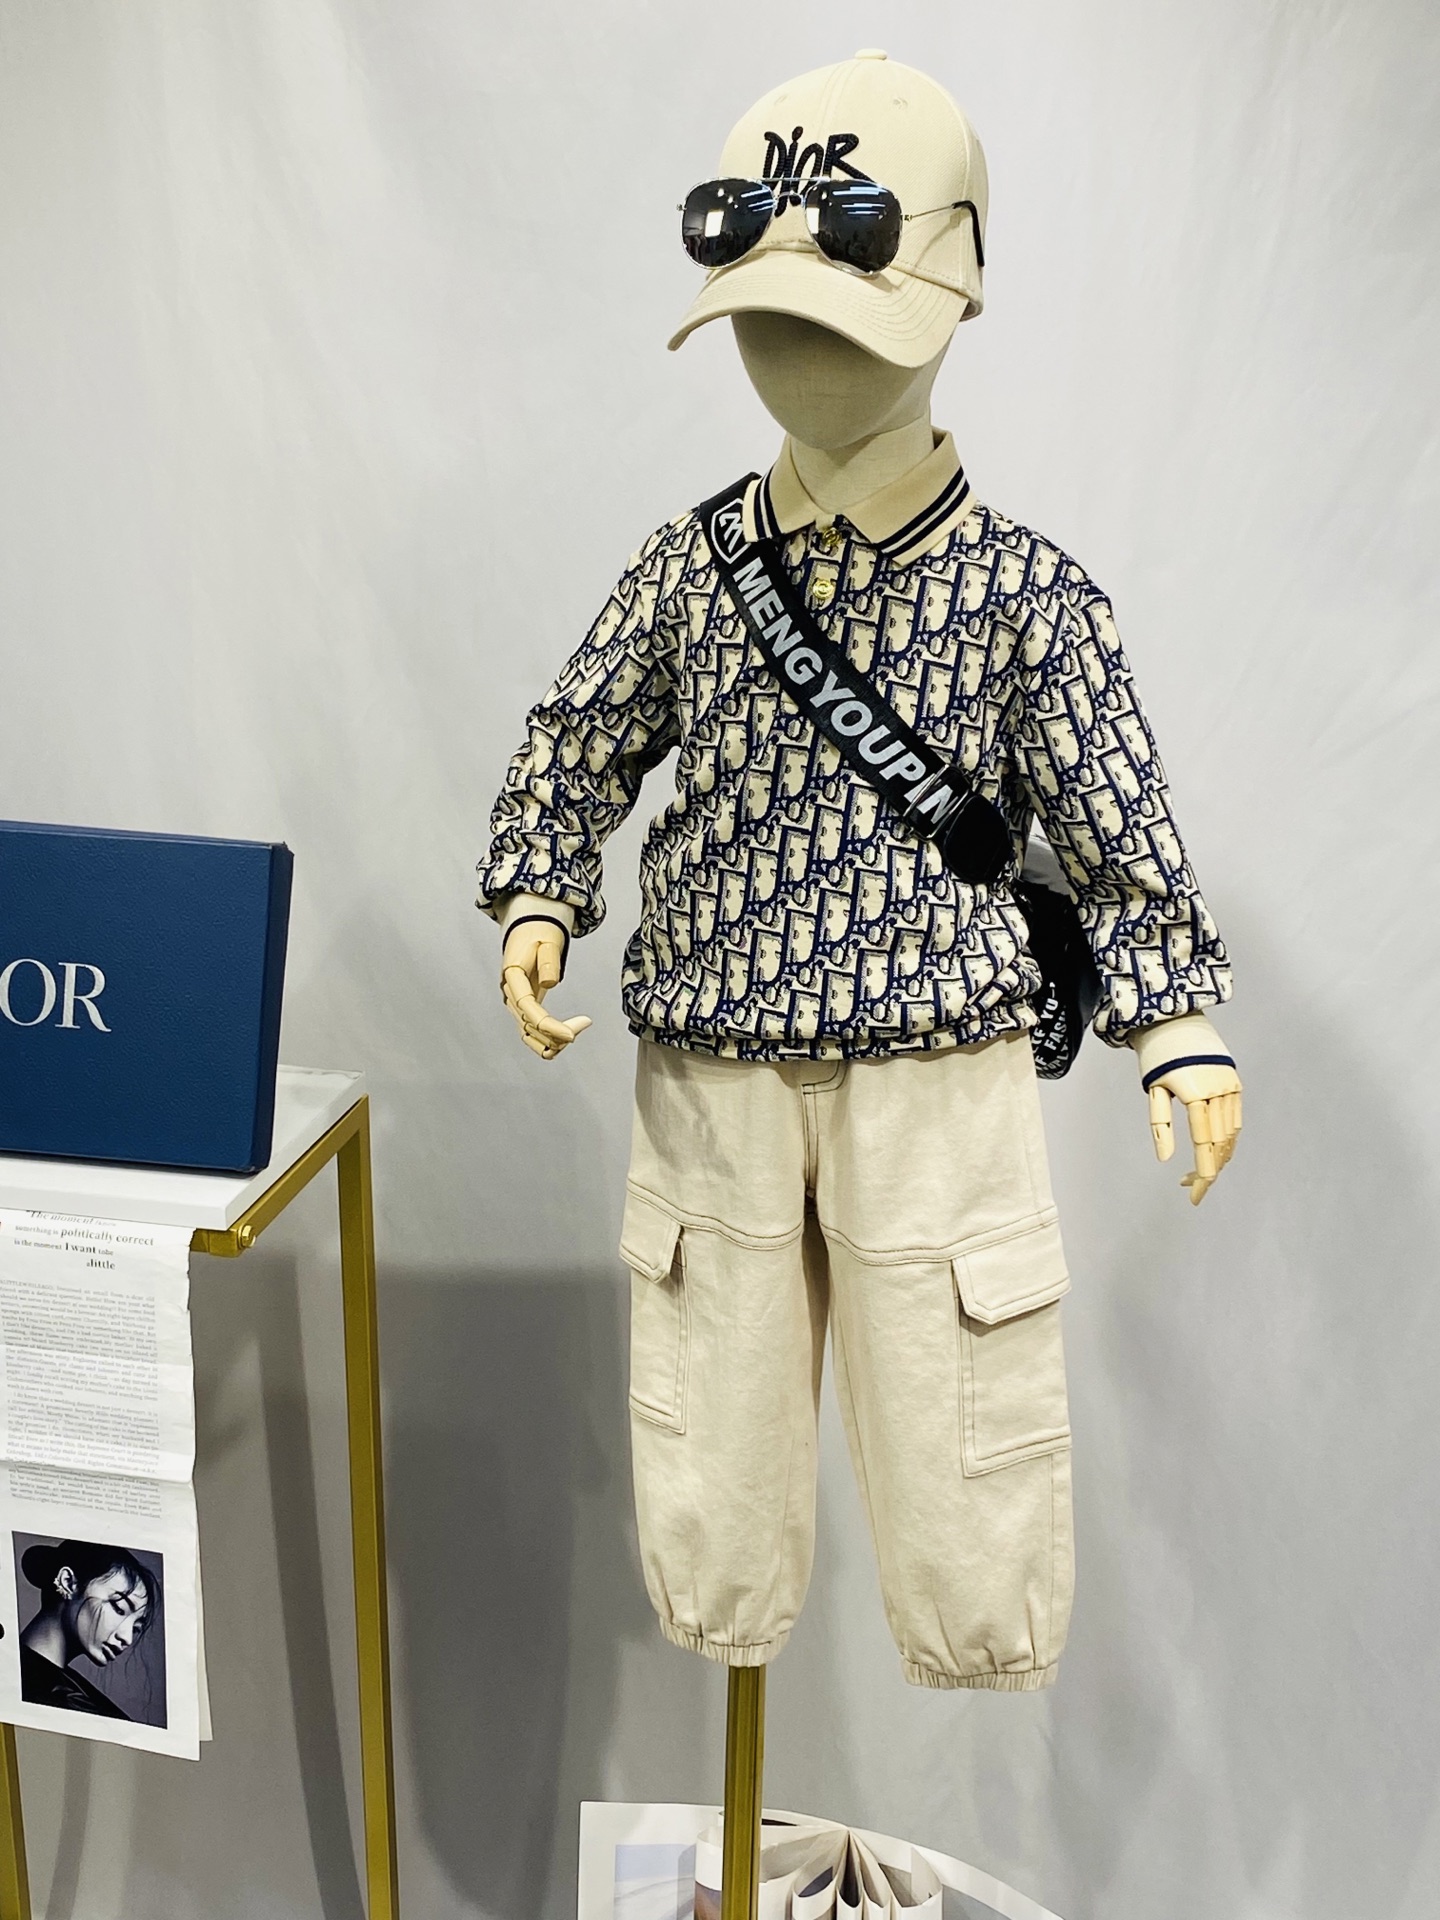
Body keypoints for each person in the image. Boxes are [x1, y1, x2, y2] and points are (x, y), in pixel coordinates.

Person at [477, 51, 1243, 1689]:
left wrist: (1177, 1025)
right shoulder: (691, 571)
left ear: (953, 292)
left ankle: (974, 1634)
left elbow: (1119, 828)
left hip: (937, 1074)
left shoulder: (1029, 599)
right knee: (711, 1415)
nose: (800, 353)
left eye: (837, 313)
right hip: (714, 1067)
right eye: (772, 318)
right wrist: (540, 887)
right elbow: (578, 736)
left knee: (968, 1408)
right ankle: (721, 1624)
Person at [18, 1538, 157, 1719]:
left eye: (136, 1628)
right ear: (68, 1583)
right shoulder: (60, 1698)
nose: (127, 1638)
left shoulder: (68, 1691)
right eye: (119, 1608)